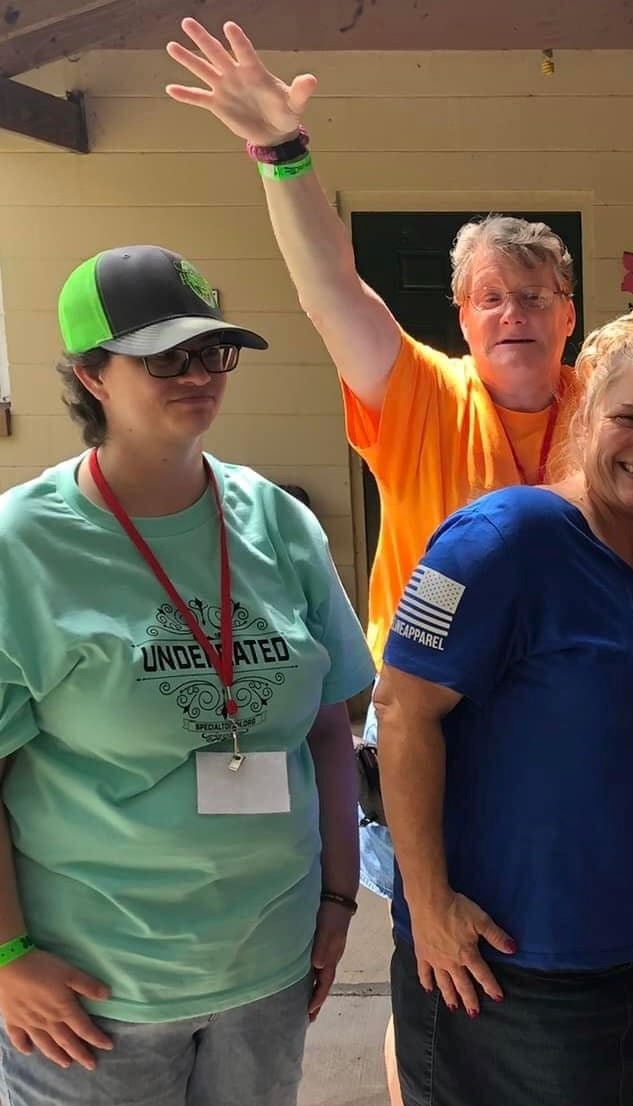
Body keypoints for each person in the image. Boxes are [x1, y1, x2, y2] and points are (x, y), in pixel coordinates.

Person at [164, 19, 633, 1097]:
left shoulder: (614, 399)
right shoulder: (413, 393)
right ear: (461, 318)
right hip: (446, 753)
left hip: (586, 832)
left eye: (534, 295)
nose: (513, 312)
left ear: (573, 317)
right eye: (490, 297)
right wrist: (284, 156)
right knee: (447, 980)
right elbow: (332, 285)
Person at [0, 246, 374, 1105]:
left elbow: (326, 724)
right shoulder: (23, 544)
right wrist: (8, 957)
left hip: (267, 967)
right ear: (91, 374)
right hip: (95, 993)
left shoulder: (274, 520)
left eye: (214, 351)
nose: (200, 373)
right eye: (166, 356)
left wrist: (340, 898)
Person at [371, 307, 633, 1106]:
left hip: (617, 961)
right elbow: (401, 708)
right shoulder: (503, 539)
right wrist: (427, 905)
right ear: (587, 416)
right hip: (499, 970)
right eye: (628, 419)